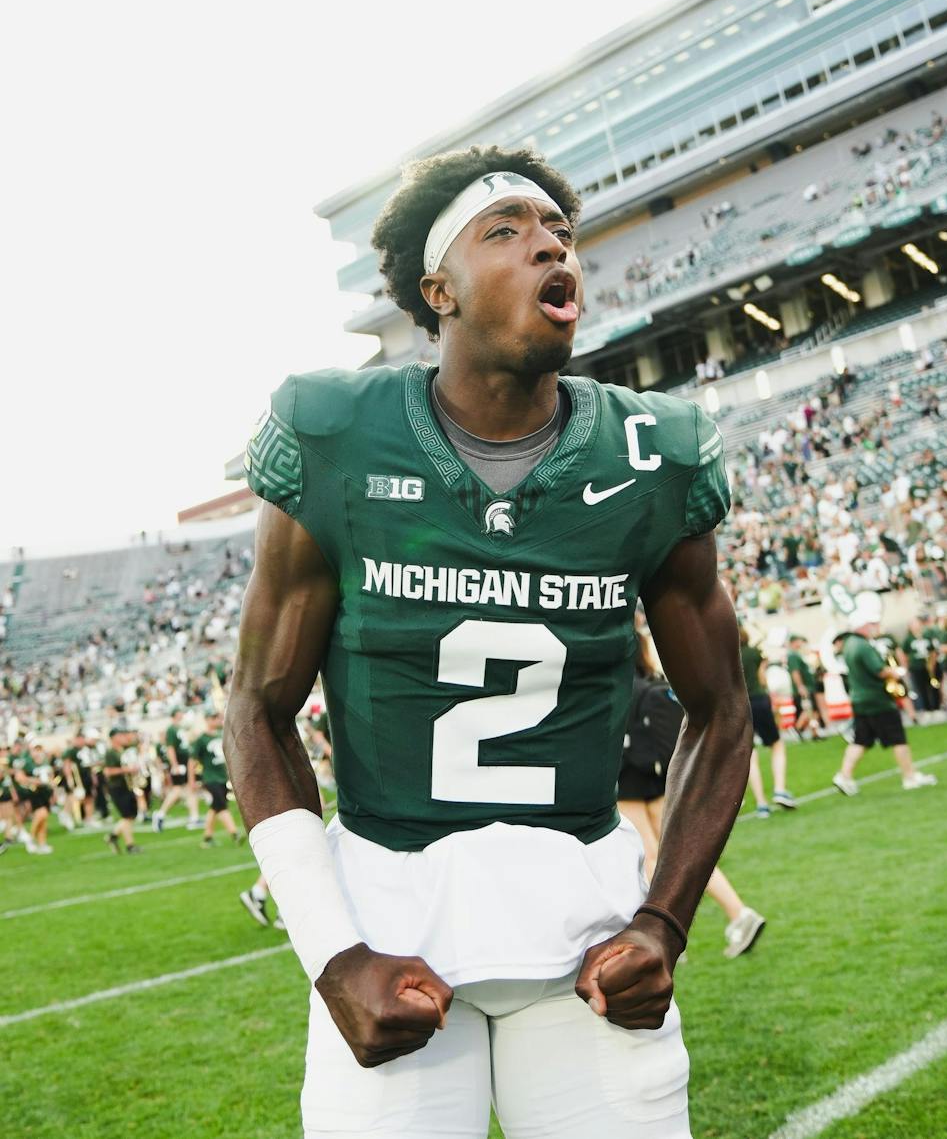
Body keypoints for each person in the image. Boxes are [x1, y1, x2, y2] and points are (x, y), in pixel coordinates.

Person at [227, 145, 751, 1139]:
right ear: (440, 291)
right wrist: (334, 955)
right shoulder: (337, 431)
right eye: (503, 229)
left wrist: (665, 917)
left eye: (558, 230)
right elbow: (254, 708)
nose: (549, 242)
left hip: (587, 936)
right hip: (389, 924)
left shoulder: (652, 453)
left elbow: (723, 711)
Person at [618, 621, 765, 960]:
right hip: (660, 775)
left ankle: (664, 933)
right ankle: (738, 912)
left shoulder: (620, 691)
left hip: (630, 778)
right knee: (678, 853)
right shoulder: (653, 685)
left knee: (651, 856)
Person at [832, 593, 937, 797]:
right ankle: (910, 776)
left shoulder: (850, 645)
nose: (874, 627)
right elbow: (879, 670)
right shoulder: (862, 645)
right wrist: (897, 672)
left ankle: (844, 775)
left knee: (861, 740)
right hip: (876, 700)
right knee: (898, 738)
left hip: (860, 699)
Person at [738, 626, 796, 816]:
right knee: (777, 744)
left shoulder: (724, 657)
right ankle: (779, 789)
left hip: (739, 706)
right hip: (758, 700)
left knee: (750, 755)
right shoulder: (755, 653)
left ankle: (762, 803)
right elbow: (763, 680)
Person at [190, 709, 243, 847]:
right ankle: (234, 833)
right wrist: (192, 780)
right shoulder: (201, 739)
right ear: (207, 720)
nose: (216, 720)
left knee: (215, 807)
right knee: (222, 806)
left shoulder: (220, 735)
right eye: (213, 718)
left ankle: (207, 838)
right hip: (210, 777)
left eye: (217, 717)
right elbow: (192, 761)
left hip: (221, 776)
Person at [152, 707, 201, 831]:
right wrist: (174, 764)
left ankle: (194, 817)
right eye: (180, 713)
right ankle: (160, 814)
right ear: (175, 715)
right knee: (178, 789)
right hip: (179, 762)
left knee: (189, 788)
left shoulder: (181, 728)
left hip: (184, 760)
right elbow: (170, 747)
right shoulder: (171, 729)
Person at [103, 726, 143, 854]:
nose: (123, 737)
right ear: (114, 738)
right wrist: (127, 770)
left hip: (127, 785)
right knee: (126, 816)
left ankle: (113, 836)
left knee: (131, 815)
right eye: (120, 735)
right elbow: (108, 771)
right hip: (117, 786)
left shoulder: (123, 750)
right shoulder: (111, 752)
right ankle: (130, 845)